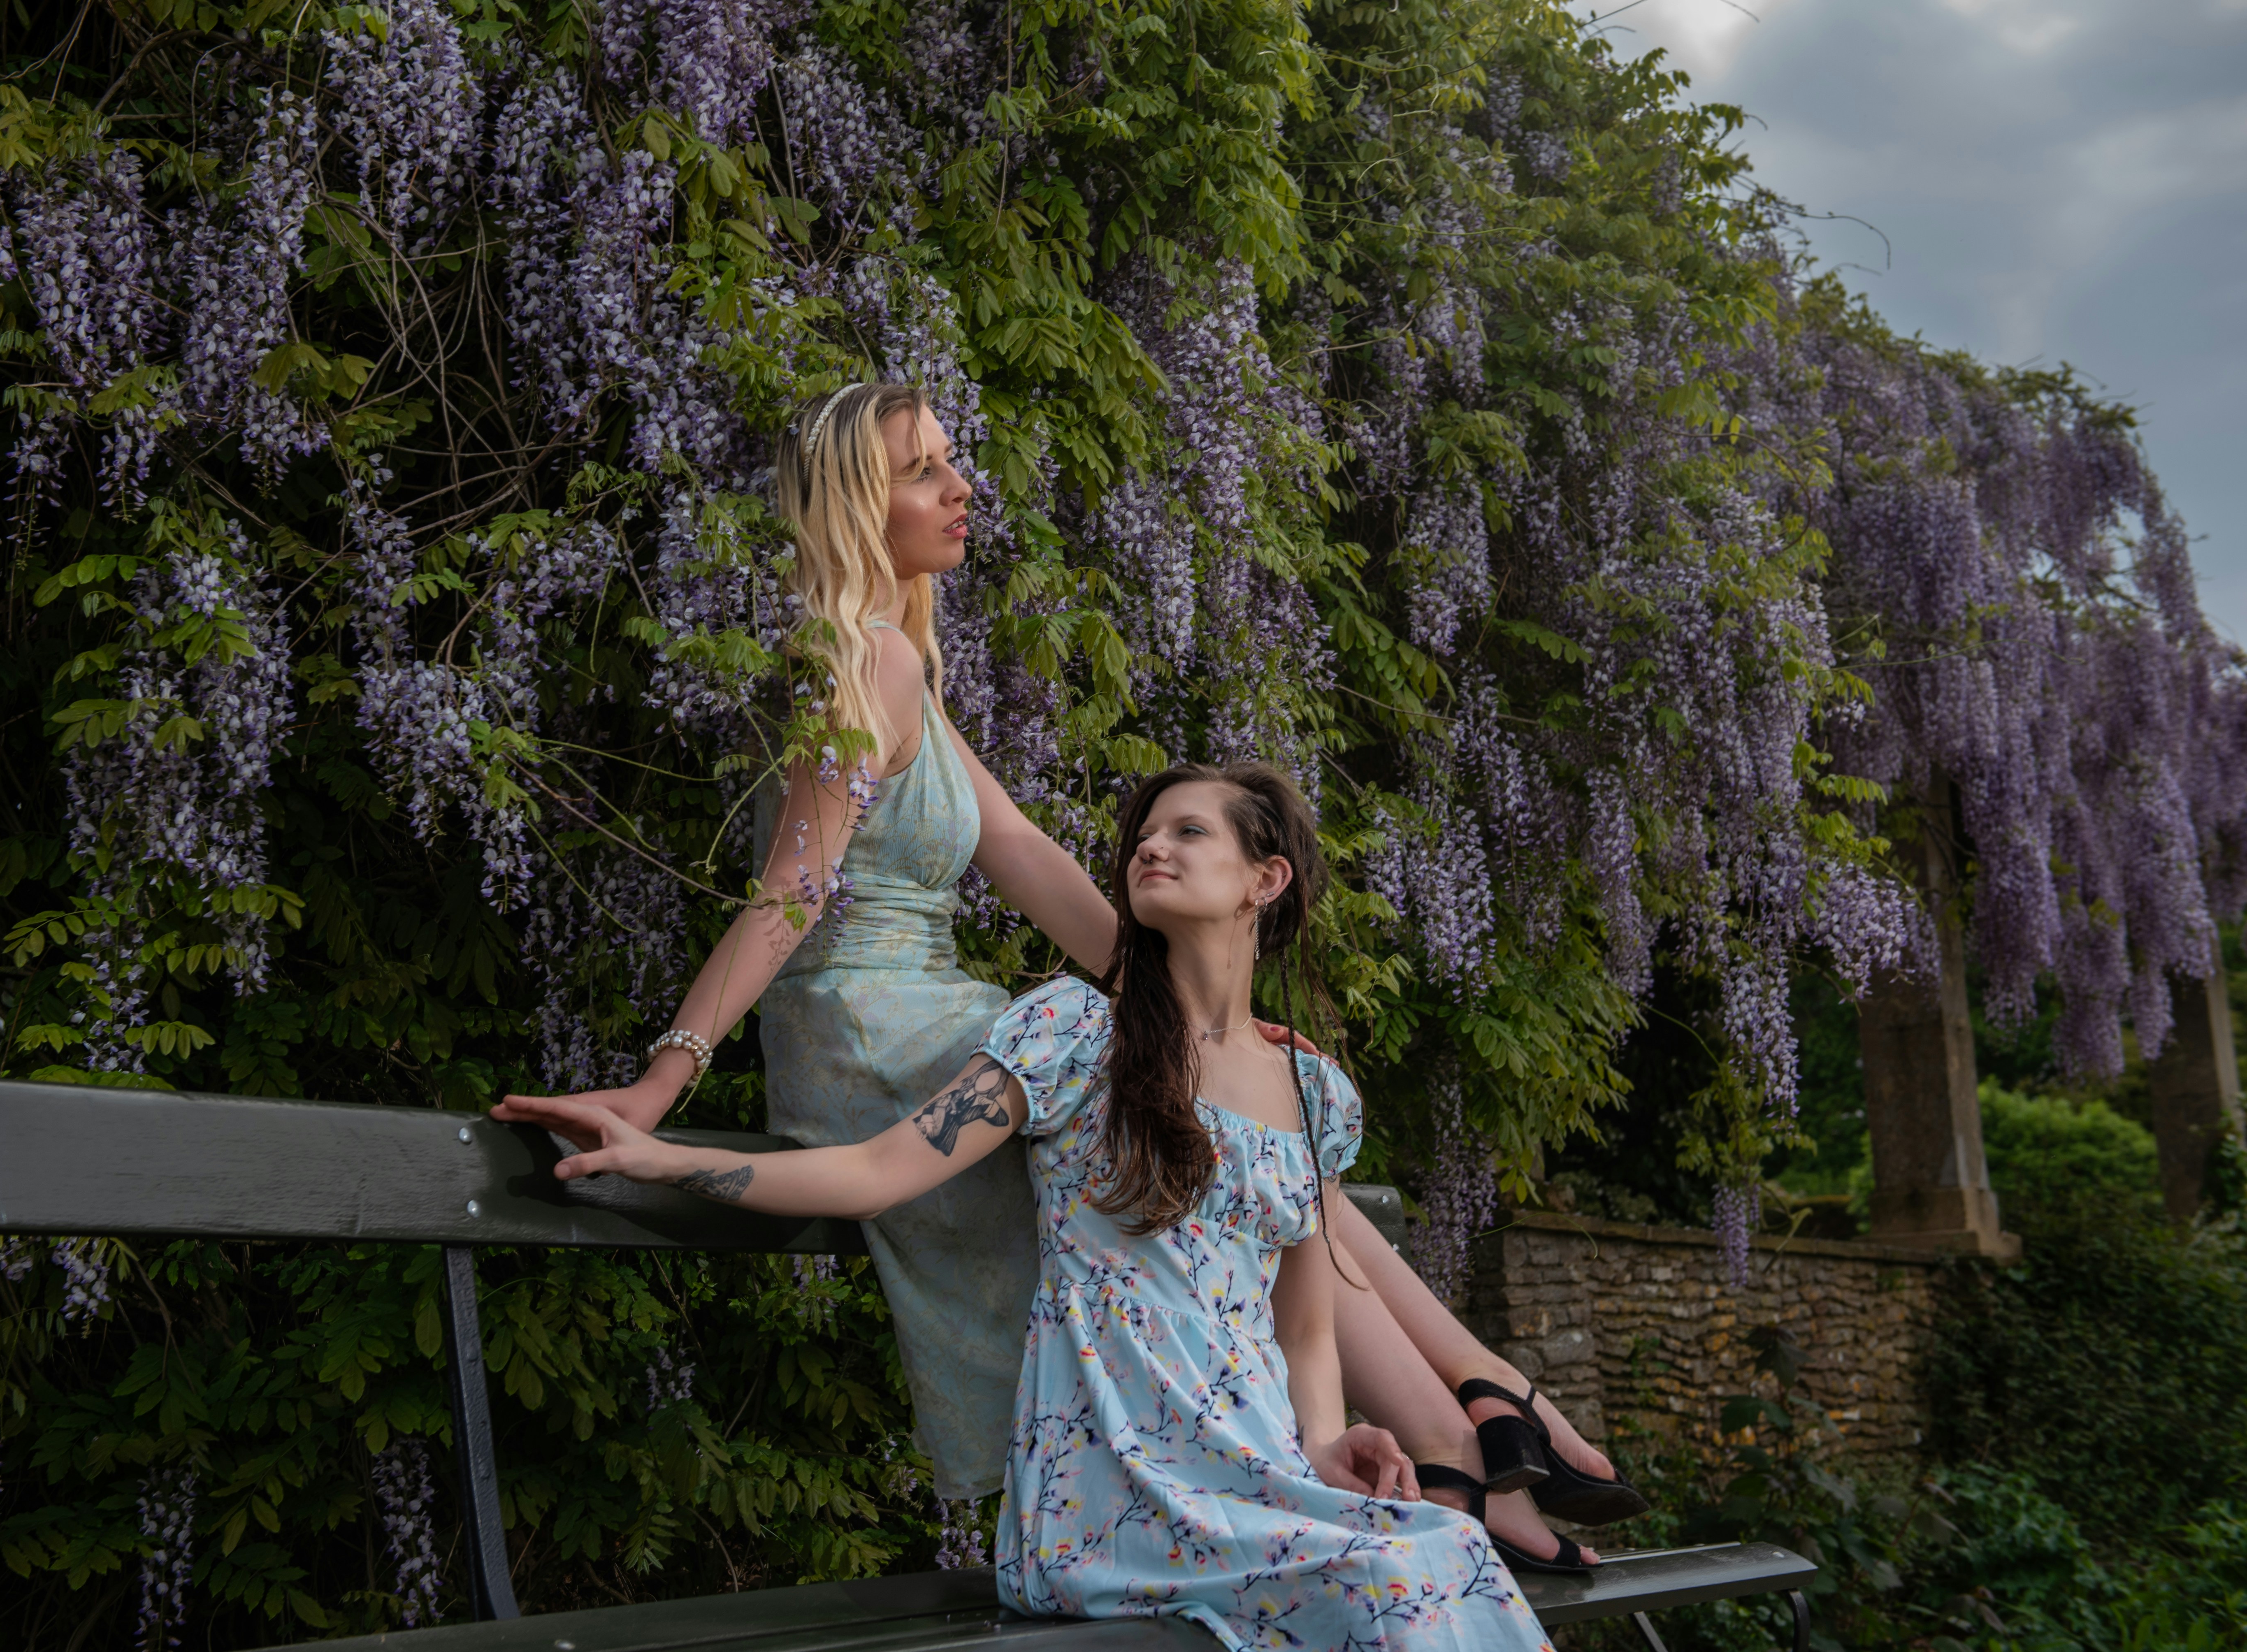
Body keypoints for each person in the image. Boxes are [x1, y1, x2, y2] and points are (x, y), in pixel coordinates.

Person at [490, 381, 1637, 1561]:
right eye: (923, 470)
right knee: (1240, 1125)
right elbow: (796, 893)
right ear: (854, 503)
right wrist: (657, 1088)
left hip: (922, 1011)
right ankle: (1474, 1429)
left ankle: (1476, 1416)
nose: (960, 487)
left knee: (1255, 1114)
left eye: (952, 462)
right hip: (874, 1033)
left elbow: (1027, 855)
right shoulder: (866, 659)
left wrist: (1201, 1016)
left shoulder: (901, 669)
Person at [548, 763, 1562, 1648]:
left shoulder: (1313, 1094)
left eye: (1187, 831)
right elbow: (873, 1172)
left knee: (1448, 1549)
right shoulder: (1075, 1033)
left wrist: (1324, 1444)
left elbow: (1302, 1328)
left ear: (1266, 879)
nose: (1149, 848)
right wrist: (670, 1157)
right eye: (1143, 835)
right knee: (1400, 1580)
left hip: (1257, 1471)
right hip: (1111, 1482)